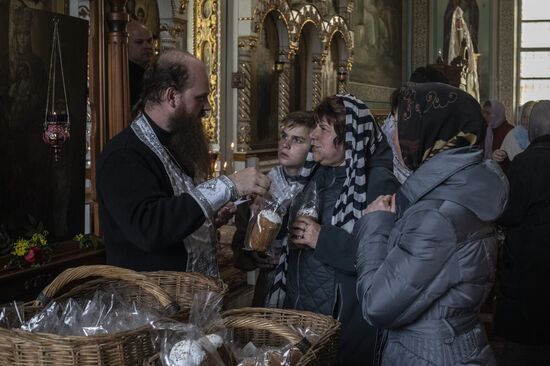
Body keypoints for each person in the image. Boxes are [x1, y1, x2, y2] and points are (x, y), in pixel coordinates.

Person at [354, 82, 508, 365]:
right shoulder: (461, 187)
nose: (392, 133)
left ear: (427, 132)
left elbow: (376, 305)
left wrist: (376, 223)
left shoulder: (436, 214)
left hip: (429, 354)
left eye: (400, 125)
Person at [97, 49, 270, 276]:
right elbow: (150, 228)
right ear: (171, 96)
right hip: (147, 300)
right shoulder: (124, 155)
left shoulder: (177, 143)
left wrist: (208, 218)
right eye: (200, 98)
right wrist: (229, 185)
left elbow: (175, 216)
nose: (207, 107)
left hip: (186, 296)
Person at [284, 95, 399, 365]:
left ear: (351, 138)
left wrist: (320, 237)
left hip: (344, 318)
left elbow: (381, 259)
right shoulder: (314, 174)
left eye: (323, 129)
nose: (313, 135)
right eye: (314, 126)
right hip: (303, 308)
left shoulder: (379, 184)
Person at [231, 111, 316, 307]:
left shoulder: (317, 188)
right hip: (269, 285)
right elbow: (241, 237)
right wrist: (254, 255)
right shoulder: (262, 185)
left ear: (313, 147)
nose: (285, 144)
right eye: (284, 136)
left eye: (297, 140)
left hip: (304, 286)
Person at [494, 100, 550, 366]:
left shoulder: (524, 163)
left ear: (532, 130)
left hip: (528, 274)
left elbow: (509, 215)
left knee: (523, 352)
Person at [128, 20, 154, 109]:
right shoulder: (123, 76)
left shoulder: (155, 71)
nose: (147, 46)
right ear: (126, 45)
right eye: (139, 42)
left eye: (149, 41)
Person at [482, 99, 514, 170]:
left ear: (497, 113)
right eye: (483, 112)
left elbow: (513, 158)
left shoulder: (510, 131)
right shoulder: (486, 129)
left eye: (488, 113)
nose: (484, 116)